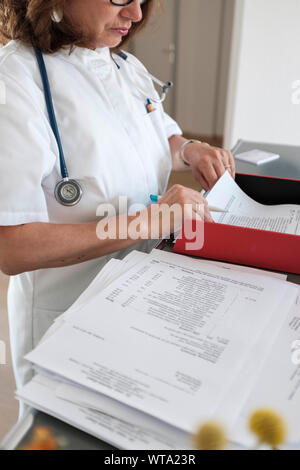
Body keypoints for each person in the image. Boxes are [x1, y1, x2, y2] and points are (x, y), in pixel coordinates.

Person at [0, 0, 235, 403]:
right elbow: (12, 247)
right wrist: (149, 222)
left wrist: (191, 149)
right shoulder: (14, 82)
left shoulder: (122, 64)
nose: (137, 15)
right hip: (69, 316)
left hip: (145, 298)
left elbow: (160, 134)